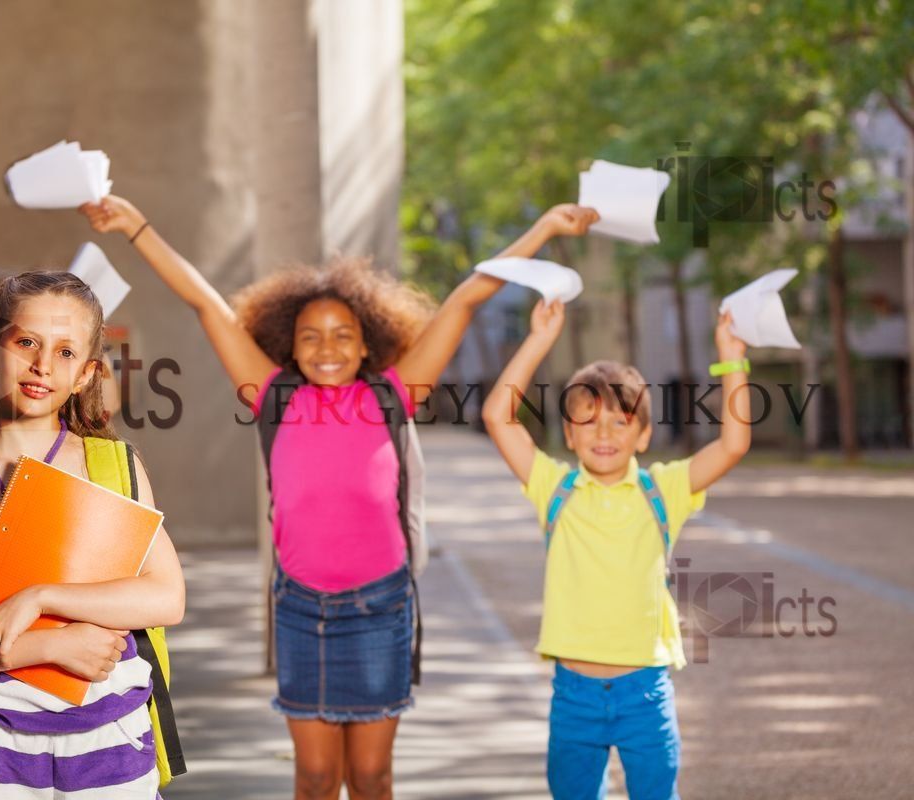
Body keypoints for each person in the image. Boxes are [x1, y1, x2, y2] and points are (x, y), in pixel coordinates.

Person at [81, 195, 598, 800]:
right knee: (318, 778)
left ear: (366, 343)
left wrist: (540, 228)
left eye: (342, 335)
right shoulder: (273, 398)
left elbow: (467, 296)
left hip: (382, 609)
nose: (327, 348)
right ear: (289, 345)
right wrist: (135, 226)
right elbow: (203, 301)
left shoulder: (391, 395)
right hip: (301, 611)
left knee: (373, 778)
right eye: (311, 337)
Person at [0, 271, 185, 798]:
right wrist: (52, 646)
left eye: (65, 353)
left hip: (113, 742)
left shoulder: (114, 466)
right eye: (26, 342)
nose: (41, 366)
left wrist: (40, 597)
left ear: (85, 374)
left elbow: (166, 597)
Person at [482, 300, 753, 799]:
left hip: (644, 695)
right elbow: (498, 416)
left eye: (620, 422)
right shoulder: (553, 486)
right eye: (587, 422)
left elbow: (733, 445)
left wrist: (731, 359)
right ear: (568, 433)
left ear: (644, 434)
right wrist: (540, 338)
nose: (603, 433)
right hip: (574, 695)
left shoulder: (664, 490)